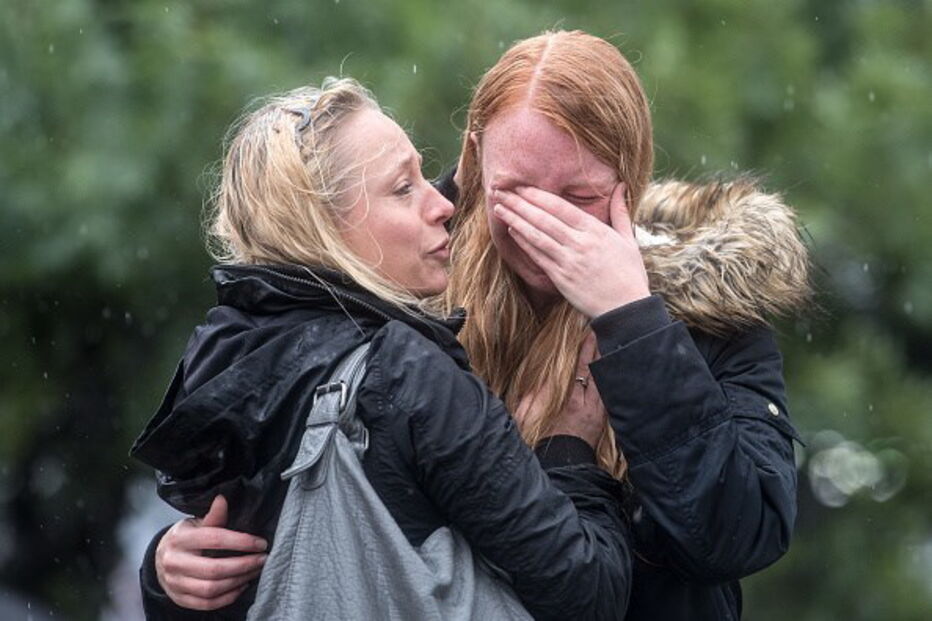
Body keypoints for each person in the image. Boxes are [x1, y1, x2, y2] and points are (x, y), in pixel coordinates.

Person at [147, 30, 810, 620]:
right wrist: (168, 567)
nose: (544, 224)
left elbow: (734, 536)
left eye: (579, 198)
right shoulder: (397, 279)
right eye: (516, 192)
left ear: (630, 179)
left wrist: (631, 320)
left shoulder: (706, 311)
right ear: (474, 160)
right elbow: (302, 533)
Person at [130, 77, 634, 620]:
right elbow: (589, 593)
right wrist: (568, 452)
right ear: (322, 226)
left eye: (426, 176)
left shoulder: (223, 362)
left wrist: (159, 574)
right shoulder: (408, 376)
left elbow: (250, 583)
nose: (441, 204)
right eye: (403, 188)